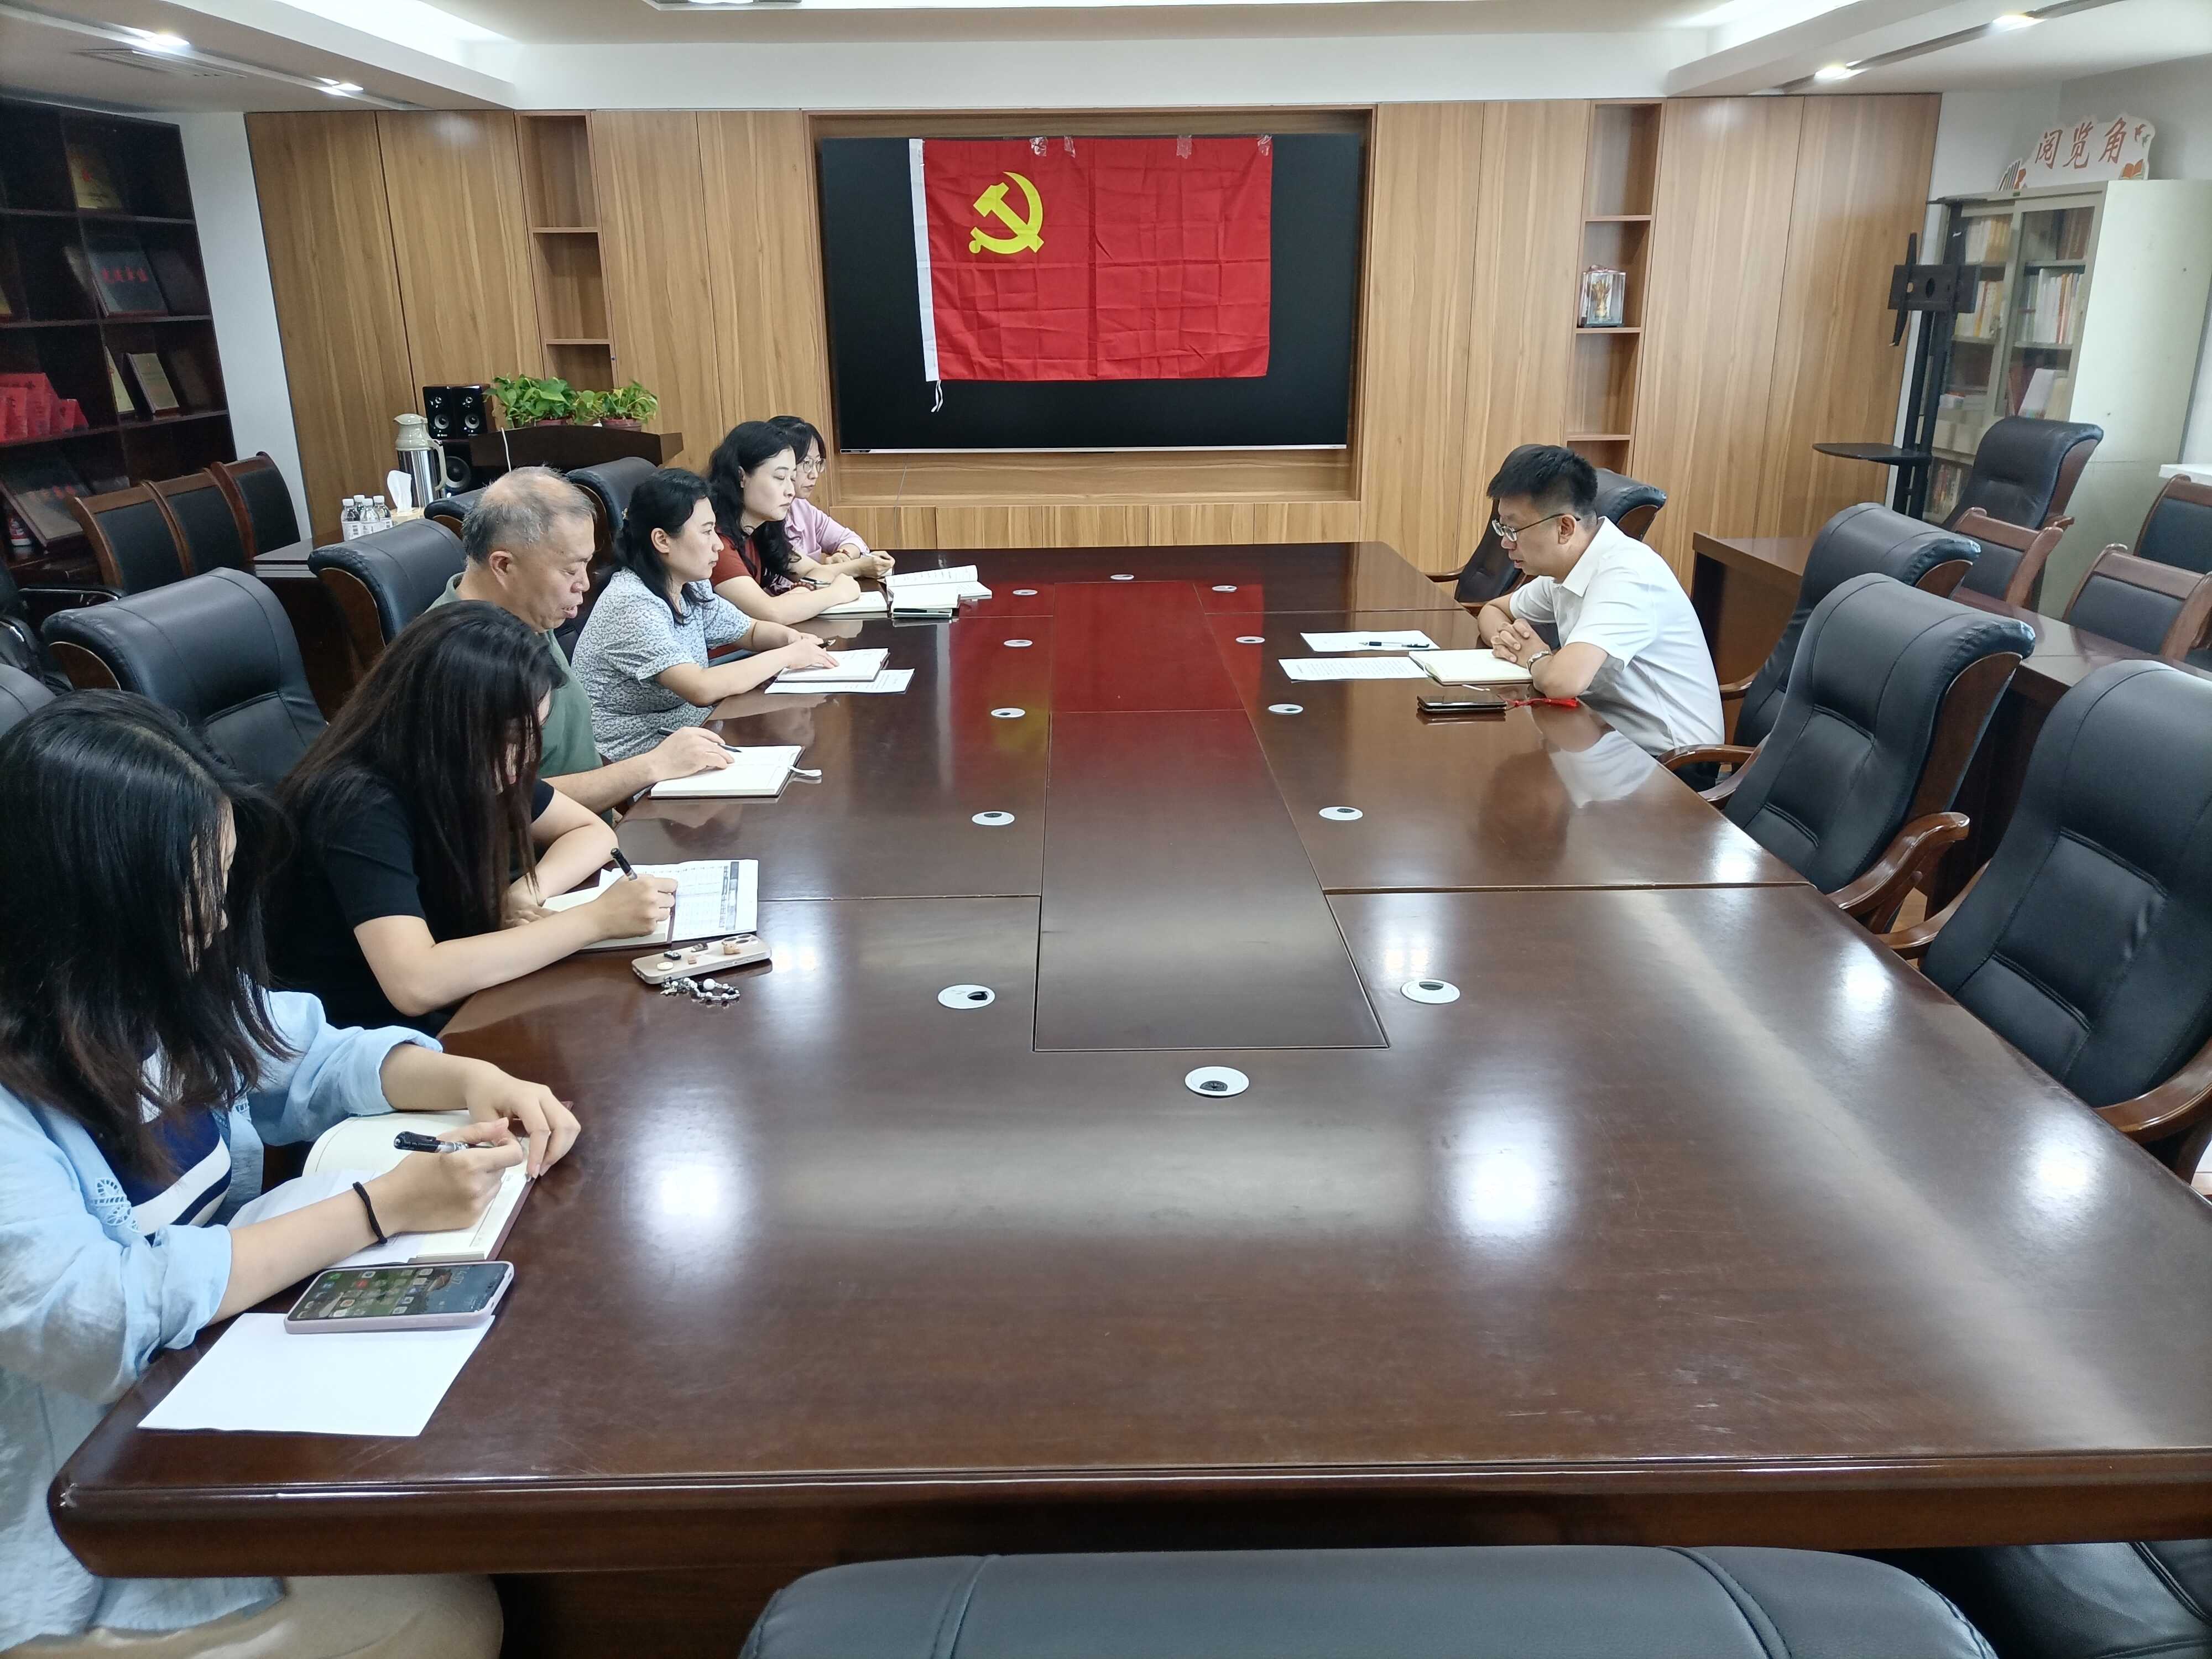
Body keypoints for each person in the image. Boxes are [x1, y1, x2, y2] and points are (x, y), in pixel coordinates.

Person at [0, 692, 580, 1658]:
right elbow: (94, 1313)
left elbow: (309, 1055)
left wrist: (469, 1076)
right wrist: (377, 1209)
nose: (219, 916)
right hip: (89, 1520)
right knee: (452, 1615)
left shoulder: (153, 989)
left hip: (210, 1405)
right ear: (91, 903)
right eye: (194, 890)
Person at [273, 603, 675, 1035]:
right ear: (445, 722)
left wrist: (524, 893)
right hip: (365, 1042)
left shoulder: (474, 764)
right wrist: (595, 921)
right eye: (514, 736)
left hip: (461, 1002)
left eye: (535, 732)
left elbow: (589, 830)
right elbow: (414, 983)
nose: (527, 756)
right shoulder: (360, 804)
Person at [432, 467, 733, 811]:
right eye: (570, 569)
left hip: (594, 824)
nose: (585, 584)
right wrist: (653, 766)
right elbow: (501, 803)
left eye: (586, 564)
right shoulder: (456, 657)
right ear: (503, 566)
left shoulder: (526, 608)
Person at [573, 467, 844, 760]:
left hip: (691, 735)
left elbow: (750, 631)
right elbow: (701, 687)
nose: (717, 544)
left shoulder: (689, 585)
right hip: (636, 758)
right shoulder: (631, 604)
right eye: (706, 532)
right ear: (662, 540)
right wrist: (788, 656)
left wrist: (791, 639)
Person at [1473, 444, 1723, 758]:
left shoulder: (1627, 574)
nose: (1505, 543)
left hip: (1672, 761)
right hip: (1604, 734)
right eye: (1502, 527)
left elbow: (1563, 682)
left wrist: (1535, 657)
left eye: (1513, 529)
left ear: (1565, 528)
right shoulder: (1566, 567)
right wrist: (1510, 642)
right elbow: (1493, 610)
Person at [707, 422, 867, 625]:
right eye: (780, 477)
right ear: (742, 477)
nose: (791, 491)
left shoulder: (761, 528)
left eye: (792, 479)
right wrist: (837, 593)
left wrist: (801, 592)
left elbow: (816, 571)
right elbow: (771, 613)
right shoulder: (716, 541)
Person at [765, 414, 894, 577]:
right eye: (806, 463)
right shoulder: (765, 517)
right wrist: (859, 567)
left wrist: (844, 555)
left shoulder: (800, 507)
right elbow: (802, 573)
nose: (814, 474)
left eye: (818, 463)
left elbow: (852, 539)